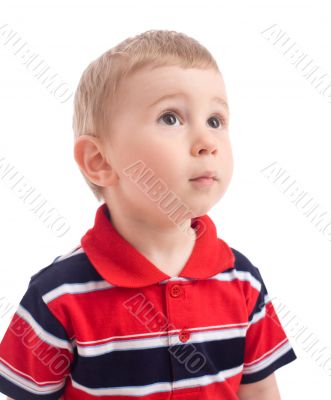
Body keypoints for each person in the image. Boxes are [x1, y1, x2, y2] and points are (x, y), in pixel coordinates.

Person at [0, 29, 297, 399]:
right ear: (100, 161)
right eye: (171, 118)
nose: (208, 142)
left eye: (216, 120)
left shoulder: (243, 282)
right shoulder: (57, 295)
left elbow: (261, 391)